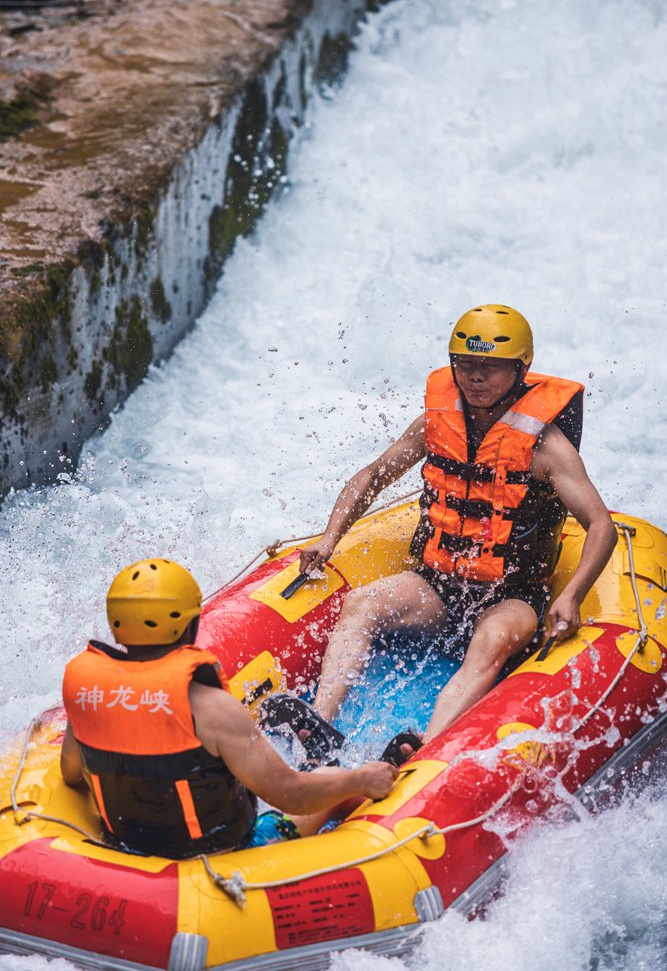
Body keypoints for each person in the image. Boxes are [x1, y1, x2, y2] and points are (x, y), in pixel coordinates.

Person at [299, 304, 617, 742]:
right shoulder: (437, 420)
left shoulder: (547, 447)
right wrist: (329, 541)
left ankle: (424, 754)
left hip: (513, 595)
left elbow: (600, 524)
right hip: (439, 584)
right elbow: (374, 474)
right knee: (361, 605)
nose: (475, 378)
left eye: (490, 368)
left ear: (520, 370)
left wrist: (573, 595)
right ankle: (319, 725)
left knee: (490, 641)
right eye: (465, 365)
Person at [61, 558, 397, 859]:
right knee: (333, 776)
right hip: (226, 858)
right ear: (190, 626)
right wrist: (360, 779)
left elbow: (70, 773)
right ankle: (331, 764)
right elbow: (291, 795)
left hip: (126, 850)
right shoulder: (211, 708)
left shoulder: (87, 693)